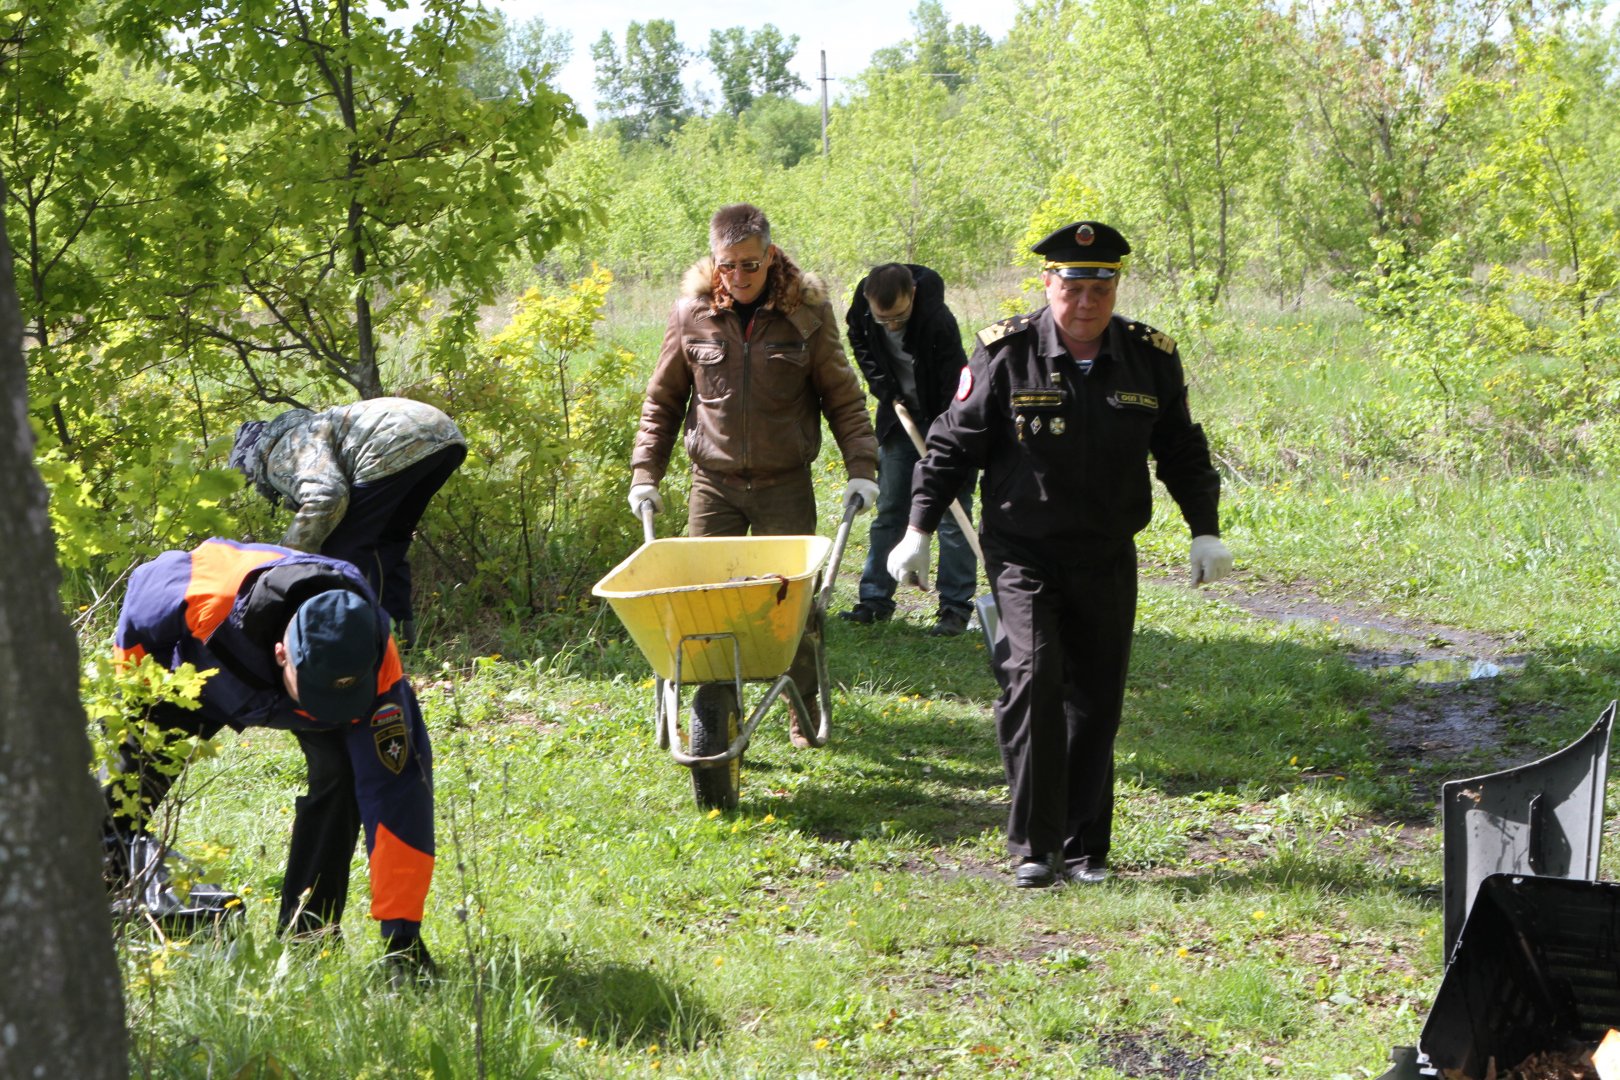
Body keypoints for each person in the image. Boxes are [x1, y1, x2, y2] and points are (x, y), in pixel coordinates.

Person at [887, 221, 1234, 889]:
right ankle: (1034, 847)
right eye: (1073, 287)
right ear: (1048, 284)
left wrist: (1205, 529)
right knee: (1033, 677)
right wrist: (918, 529)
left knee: (1096, 699)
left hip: (1105, 551)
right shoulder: (1005, 352)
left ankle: (1084, 850)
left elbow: (1182, 450)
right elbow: (952, 445)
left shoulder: (1149, 357)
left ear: (1116, 288)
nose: (1086, 302)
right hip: (1024, 552)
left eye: (1101, 288)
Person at [103, 537, 436, 982]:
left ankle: (309, 936)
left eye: (342, 699)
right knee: (115, 805)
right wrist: (133, 707)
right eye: (317, 695)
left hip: (299, 689)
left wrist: (403, 937)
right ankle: (108, 915)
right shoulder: (206, 595)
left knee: (343, 778)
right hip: (196, 678)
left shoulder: (374, 665)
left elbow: (399, 800)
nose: (330, 713)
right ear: (282, 653)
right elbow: (139, 607)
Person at [629, 203, 880, 747]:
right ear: (713, 261)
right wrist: (645, 471)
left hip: (783, 484)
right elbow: (663, 401)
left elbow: (842, 397)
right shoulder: (691, 314)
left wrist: (862, 468)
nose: (738, 277)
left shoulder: (806, 314)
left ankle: (802, 707)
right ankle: (717, 710)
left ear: (770, 256)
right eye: (727, 265)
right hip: (713, 485)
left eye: (749, 264)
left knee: (794, 606)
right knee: (704, 602)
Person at [228, 396, 467, 649]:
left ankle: (341, 642)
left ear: (252, 459)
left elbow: (327, 497)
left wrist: (287, 559)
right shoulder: (312, 428)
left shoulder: (283, 450)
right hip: (442, 436)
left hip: (395, 444)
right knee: (387, 545)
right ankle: (400, 643)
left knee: (342, 551)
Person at [839, 263, 977, 637]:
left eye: (899, 317)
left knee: (952, 513)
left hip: (946, 420)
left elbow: (956, 387)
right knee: (891, 508)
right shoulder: (863, 309)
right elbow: (859, 341)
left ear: (912, 295)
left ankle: (955, 608)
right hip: (899, 419)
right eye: (883, 319)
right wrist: (882, 386)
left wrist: (947, 443)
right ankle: (874, 601)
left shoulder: (937, 321)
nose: (891, 326)